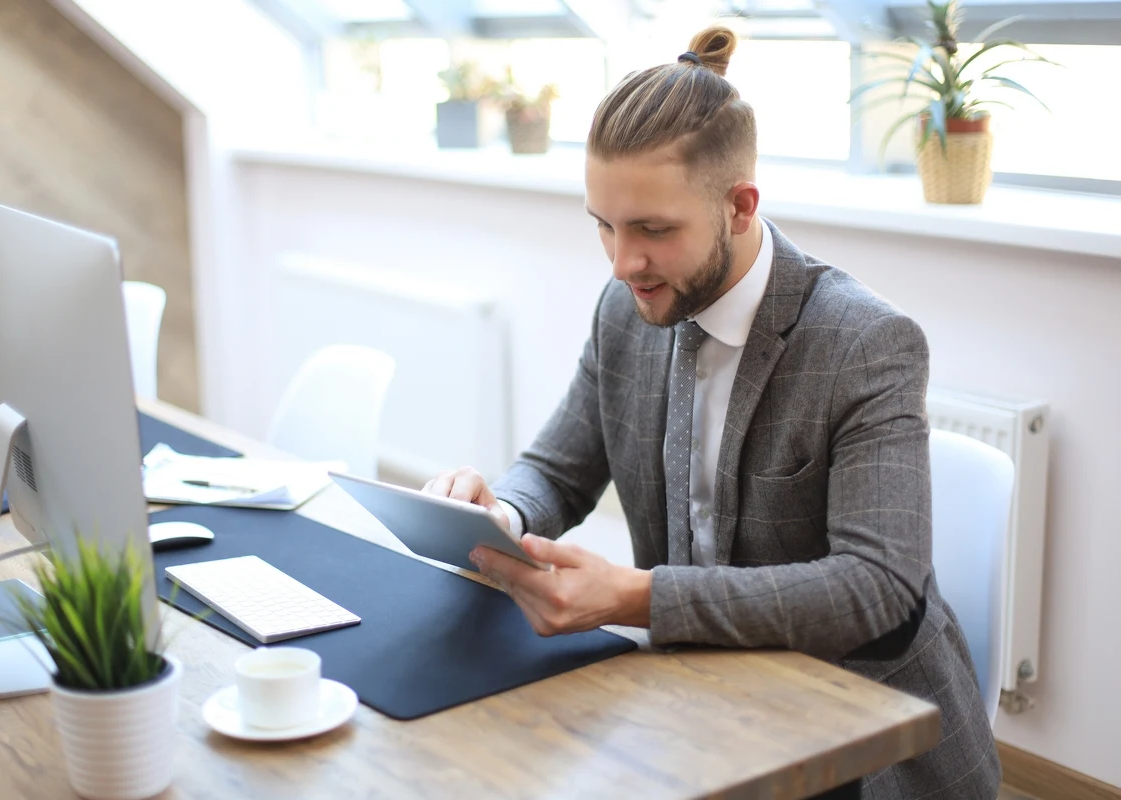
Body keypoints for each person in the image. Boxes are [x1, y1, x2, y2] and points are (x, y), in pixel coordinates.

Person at [423, 24, 1000, 799]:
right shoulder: (626, 309)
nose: (623, 262)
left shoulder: (866, 342)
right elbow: (557, 471)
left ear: (739, 206)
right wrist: (500, 514)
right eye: (604, 225)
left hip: (865, 741)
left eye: (653, 230)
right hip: (700, 704)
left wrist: (639, 596)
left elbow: (875, 588)